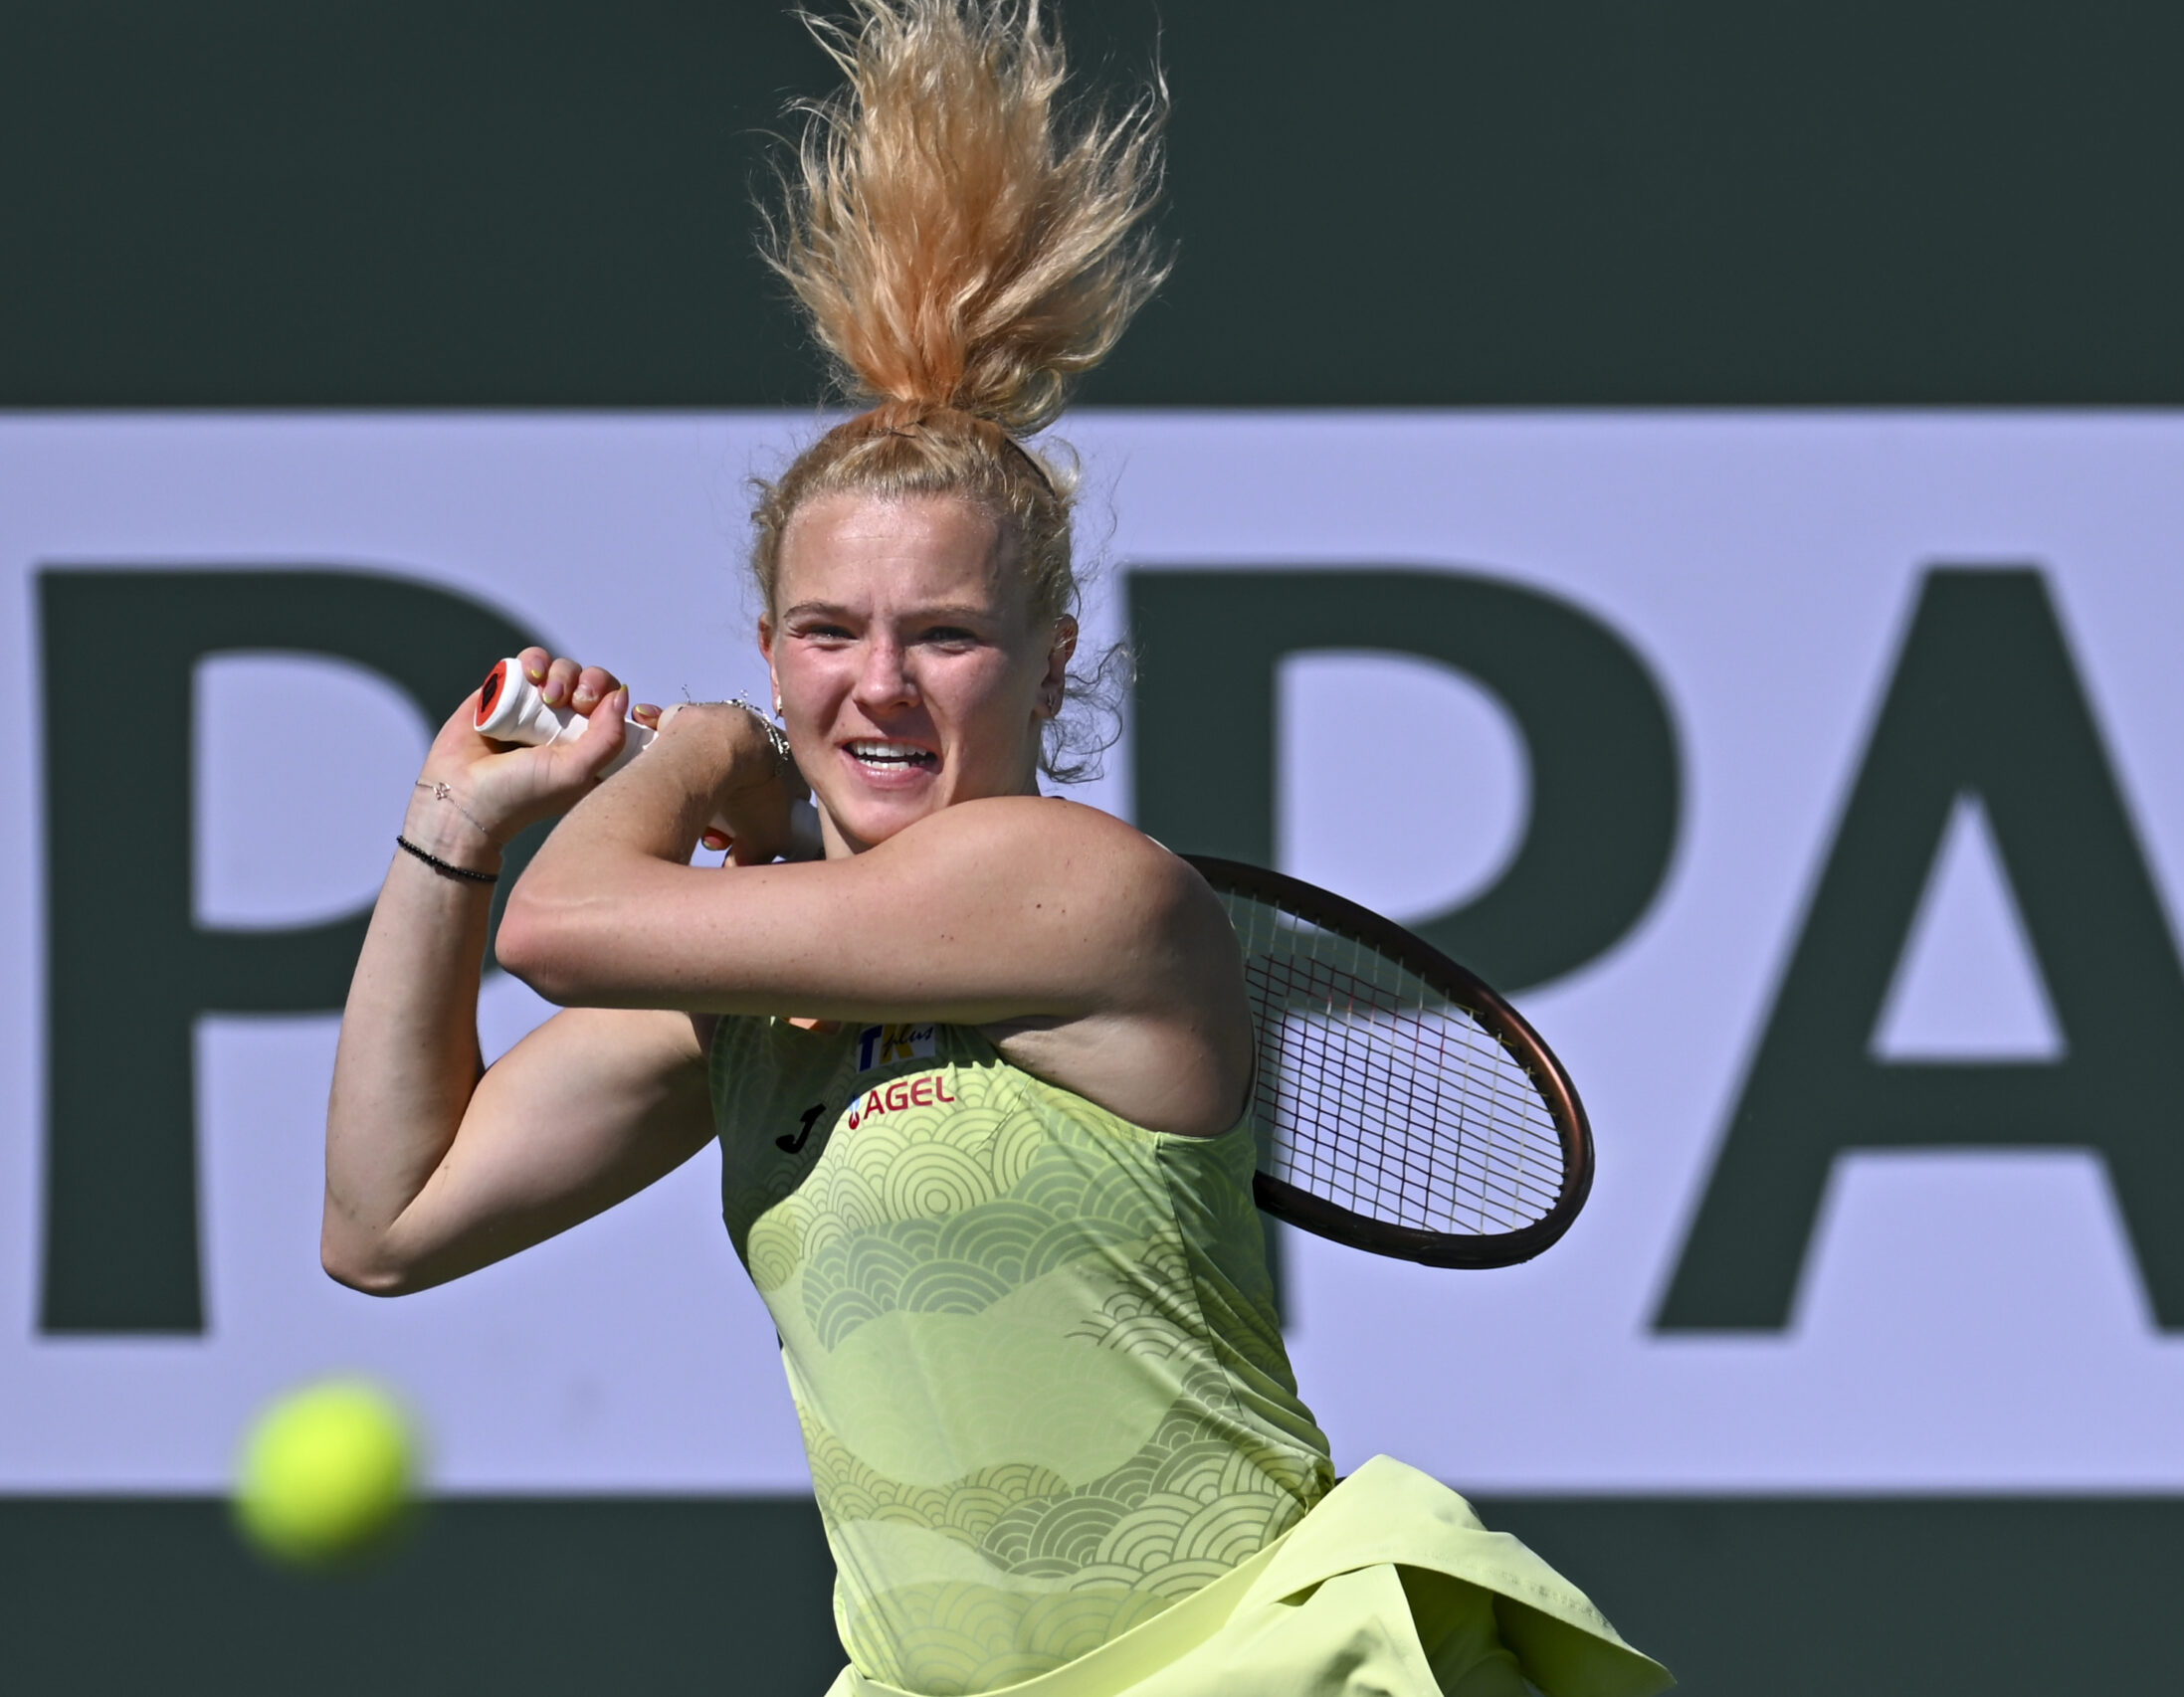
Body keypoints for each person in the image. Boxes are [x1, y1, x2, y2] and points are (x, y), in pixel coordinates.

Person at [322, 4, 1671, 1694]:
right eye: (827, 632)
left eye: (945, 634)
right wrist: (450, 827)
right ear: (774, 646)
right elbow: (385, 1218)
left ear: (1053, 660)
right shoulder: (748, 990)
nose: (878, 683)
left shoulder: (1082, 892)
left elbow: (566, 927)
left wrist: (703, 756)